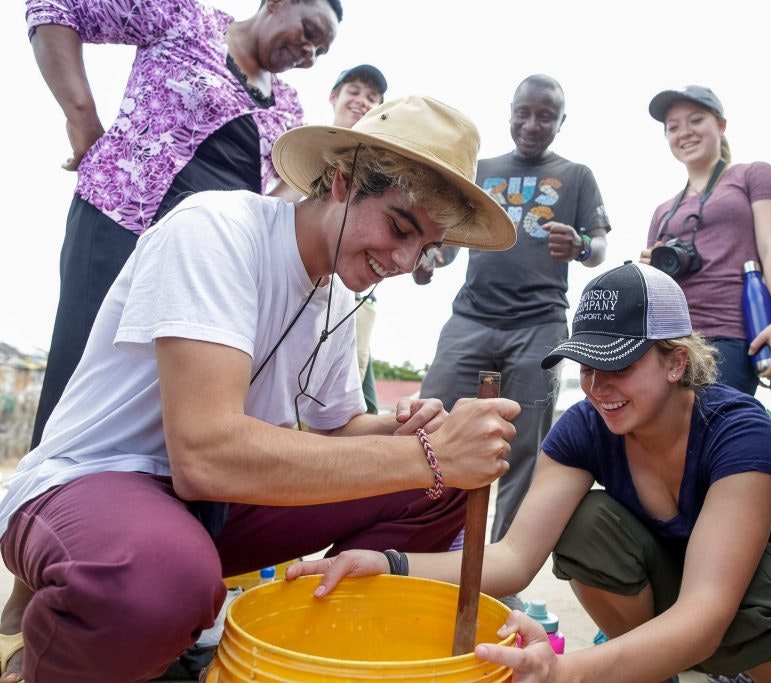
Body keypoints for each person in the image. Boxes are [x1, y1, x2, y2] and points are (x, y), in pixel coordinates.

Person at [0, 96, 521, 683]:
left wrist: (425, 432)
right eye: (400, 226)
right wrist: (426, 455)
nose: (403, 260)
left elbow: (341, 429)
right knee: (158, 585)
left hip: (205, 509)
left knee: (442, 485)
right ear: (344, 184)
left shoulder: (334, 298)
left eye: (425, 248)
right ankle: (41, 653)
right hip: (97, 480)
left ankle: (316, 627)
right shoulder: (217, 230)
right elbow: (205, 454)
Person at [290, 262, 771, 683]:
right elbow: (513, 558)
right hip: (687, 595)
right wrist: (387, 563)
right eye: (586, 365)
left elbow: (707, 610)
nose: (597, 386)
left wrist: (565, 671)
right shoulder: (585, 427)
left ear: (676, 362)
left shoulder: (738, 428)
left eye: (617, 364)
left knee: (747, 600)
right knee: (586, 523)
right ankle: (650, 670)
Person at [27, 0, 343, 450]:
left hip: (207, 263)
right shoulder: (185, 20)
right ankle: (44, 505)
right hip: (122, 223)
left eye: (320, 52)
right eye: (310, 32)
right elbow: (58, 7)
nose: (309, 54)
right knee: (83, 372)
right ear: (278, 3)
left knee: (172, 397)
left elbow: (285, 188)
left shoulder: (289, 108)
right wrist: (82, 119)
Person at [412, 74, 611, 545]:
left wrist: (582, 245)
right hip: (471, 318)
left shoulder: (577, 175)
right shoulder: (480, 170)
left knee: (522, 448)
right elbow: (448, 245)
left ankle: (501, 571)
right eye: (523, 112)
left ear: (561, 121)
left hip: (540, 324)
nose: (531, 123)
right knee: (428, 421)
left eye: (545, 115)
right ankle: (424, 543)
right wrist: (427, 260)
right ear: (510, 113)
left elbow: (600, 245)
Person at [642, 85, 771, 396]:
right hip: (670, 341)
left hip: (729, 335)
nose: (685, 132)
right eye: (673, 127)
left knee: (713, 431)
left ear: (721, 125)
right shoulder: (663, 211)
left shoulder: (752, 175)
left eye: (696, 120)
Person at [328, 63, 389, 413]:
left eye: (372, 98)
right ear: (334, 96)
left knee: (356, 384)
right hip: (305, 286)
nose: (362, 101)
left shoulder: (384, 167)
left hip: (358, 296)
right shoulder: (299, 151)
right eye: (354, 91)